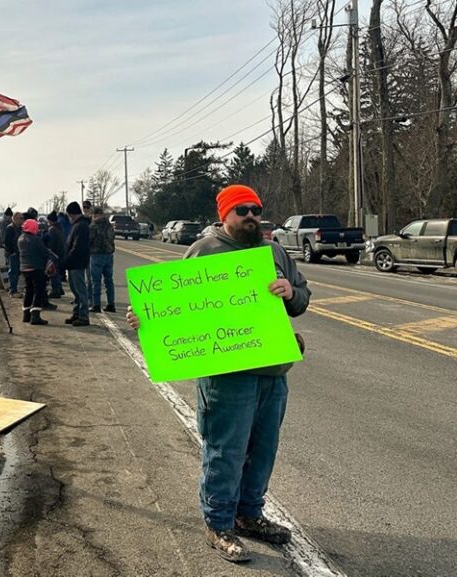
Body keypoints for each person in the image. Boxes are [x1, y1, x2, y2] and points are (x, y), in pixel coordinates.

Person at [126, 184, 310, 563]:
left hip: (273, 372)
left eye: (256, 209)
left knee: (262, 449)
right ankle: (218, 524)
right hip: (227, 377)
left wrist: (291, 292)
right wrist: (145, 320)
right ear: (225, 214)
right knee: (226, 451)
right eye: (242, 209)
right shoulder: (204, 251)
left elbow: (303, 300)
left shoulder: (273, 251)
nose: (251, 216)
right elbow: (173, 309)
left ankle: (249, 514)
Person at [62, 201, 91, 327]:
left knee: (80, 290)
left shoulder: (81, 226)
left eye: (70, 215)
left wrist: (67, 259)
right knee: (75, 290)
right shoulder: (78, 225)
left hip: (77, 262)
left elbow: (77, 246)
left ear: (73, 214)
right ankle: (77, 313)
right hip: (73, 262)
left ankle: (83, 316)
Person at [17, 218, 49, 325]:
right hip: (36, 268)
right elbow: (44, 252)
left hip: (24, 268)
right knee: (38, 291)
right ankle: (35, 315)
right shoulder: (35, 239)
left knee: (28, 290)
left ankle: (26, 314)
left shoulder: (21, 238)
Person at [89, 207, 116, 313]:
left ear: (94, 215)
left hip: (96, 255)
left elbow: (89, 240)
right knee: (109, 280)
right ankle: (111, 304)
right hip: (109, 255)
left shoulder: (93, 226)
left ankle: (96, 304)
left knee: (96, 281)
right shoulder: (109, 226)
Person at [45, 211, 66, 299]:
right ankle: (59, 288)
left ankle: (56, 290)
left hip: (54, 253)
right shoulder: (59, 228)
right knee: (57, 272)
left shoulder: (52, 229)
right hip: (61, 253)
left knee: (53, 272)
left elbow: (51, 243)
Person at [2, 212, 23, 295]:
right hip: (13, 253)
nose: (22, 220)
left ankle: (15, 288)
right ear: (15, 219)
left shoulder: (20, 228)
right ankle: (12, 289)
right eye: (20, 218)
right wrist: (11, 252)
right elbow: (7, 242)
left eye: (22, 218)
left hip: (19, 252)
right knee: (13, 271)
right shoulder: (10, 228)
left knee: (17, 272)